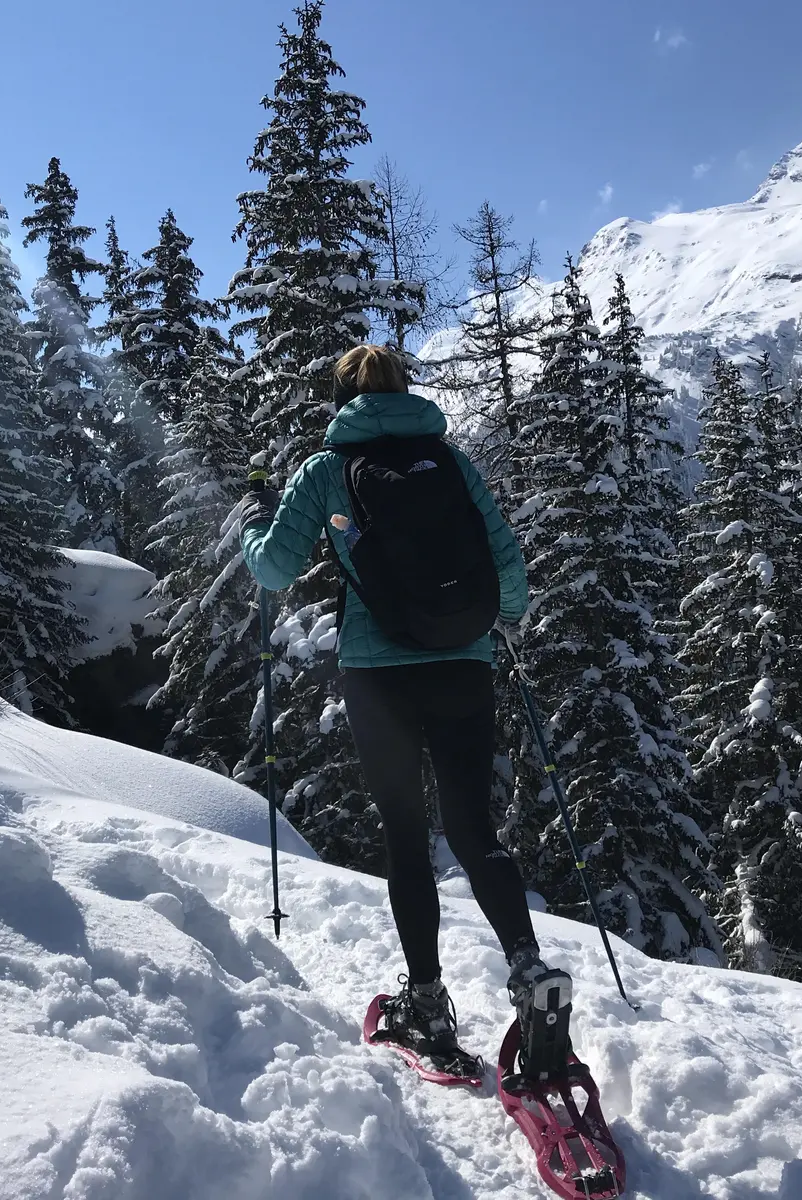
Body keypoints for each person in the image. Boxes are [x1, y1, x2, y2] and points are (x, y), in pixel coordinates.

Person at [240, 344, 569, 1076]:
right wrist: (497, 622)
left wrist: (251, 526)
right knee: (474, 828)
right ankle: (526, 968)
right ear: (404, 390)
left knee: (405, 835)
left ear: (341, 396)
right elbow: (507, 562)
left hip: (378, 674)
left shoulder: (327, 471)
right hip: (464, 664)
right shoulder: (448, 462)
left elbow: (272, 568)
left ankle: (425, 1003)